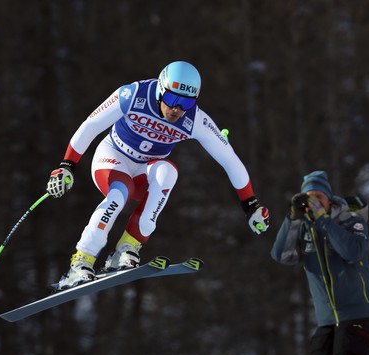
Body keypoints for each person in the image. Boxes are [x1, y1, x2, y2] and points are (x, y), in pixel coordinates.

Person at [46, 61, 270, 290]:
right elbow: (90, 125)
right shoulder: (132, 94)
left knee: (167, 172)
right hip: (113, 157)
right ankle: (82, 261)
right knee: (119, 194)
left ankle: (127, 248)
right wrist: (67, 165)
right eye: (173, 100)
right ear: (161, 90)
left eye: (186, 103)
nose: (177, 109)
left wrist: (250, 204)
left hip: (144, 170)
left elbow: (229, 159)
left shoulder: (195, 119)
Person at [270, 170, 369, 355]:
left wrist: (324, 220)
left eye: (319, 197)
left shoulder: (351, 220)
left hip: (360, 311)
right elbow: (281, 256)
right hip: (329, 318)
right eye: (308, 198)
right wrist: (292, 219)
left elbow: (353, 252)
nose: (314, 203)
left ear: (329, 199)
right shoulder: (303, 228)